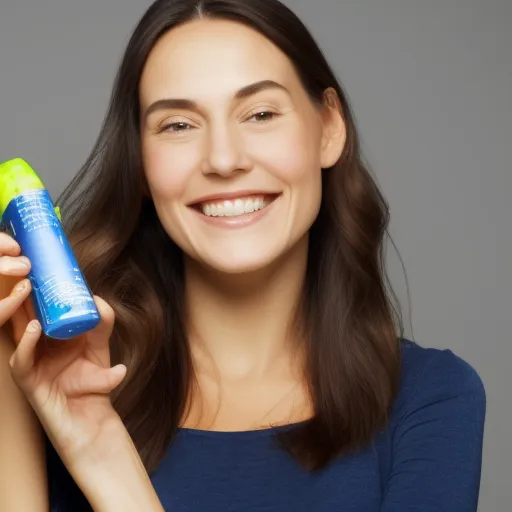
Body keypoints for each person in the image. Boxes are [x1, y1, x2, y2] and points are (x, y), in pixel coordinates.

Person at [0, 0, 486, 510]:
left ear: (329, 128)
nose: (224, 160)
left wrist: (101, 450)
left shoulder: (433, 399)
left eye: (260, 114)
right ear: (141, 164)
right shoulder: (44, 374)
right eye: (178, 125)